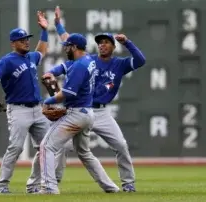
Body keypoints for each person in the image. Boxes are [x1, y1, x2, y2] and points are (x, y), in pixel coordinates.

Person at [51, 6, 146, 192]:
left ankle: (128, 184)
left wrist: (128, 42)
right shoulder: (88, 60)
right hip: (81, 110)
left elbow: (141, 60)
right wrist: (58, 26)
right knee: (62, 145)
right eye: (100, 42)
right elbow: (69, 43)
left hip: (101, 112)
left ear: (113, 46)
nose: (102, 44)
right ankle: (53, 181)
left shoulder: (120, 64)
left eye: (106, 42)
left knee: (120, 145)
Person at [39, 33, 120, 194]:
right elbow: (66, 66)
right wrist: (52, 72)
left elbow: (67, 94)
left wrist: (47, 102)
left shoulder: (79, 66)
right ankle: (111, 187)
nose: (66, 49)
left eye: (68, 46)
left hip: (76, 114)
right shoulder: (88, 60)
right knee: (84, 153)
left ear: (75, 47)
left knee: (46, 146)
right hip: (88, 113)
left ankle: (49, 187)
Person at [0, 11, 50, 194]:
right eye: (22, 40)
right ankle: (1, 184)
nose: (26, 42)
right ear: (13, 43)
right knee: (16, 147)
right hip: (18, 109)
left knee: (47, 147)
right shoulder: (7, 61)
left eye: (27, 39)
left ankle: (34, 185)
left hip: (38, 108)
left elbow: (42, 51)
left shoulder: (31, 57)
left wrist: (45, 30)